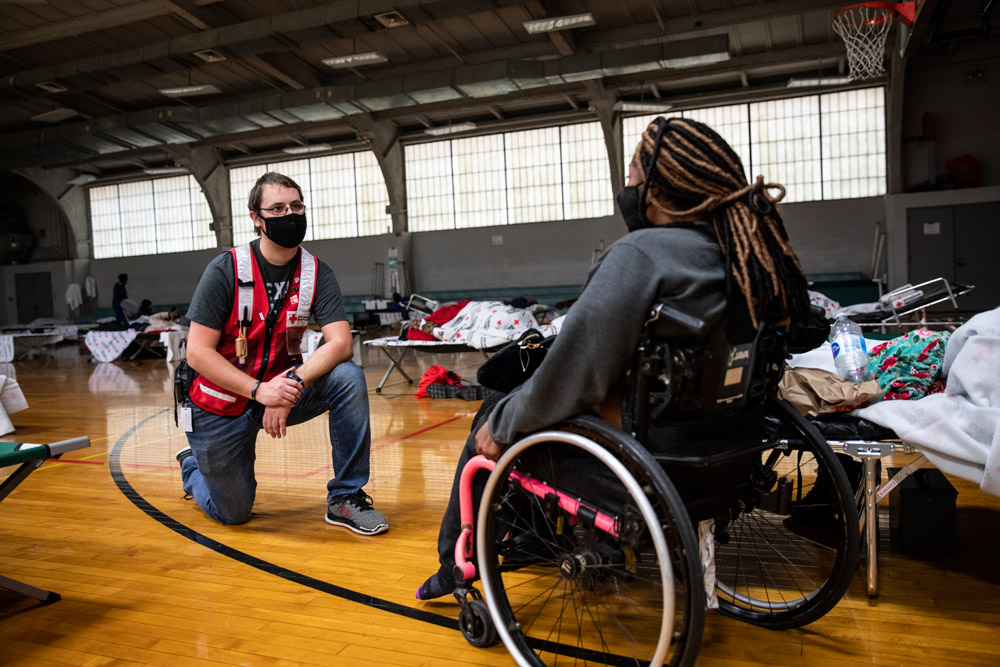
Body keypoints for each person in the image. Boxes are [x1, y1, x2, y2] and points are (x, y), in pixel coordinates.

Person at [416, 116, 811, 599]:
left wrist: (502, 426)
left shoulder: (643, 254)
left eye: (632, 177)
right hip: (734, 444)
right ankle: (530, 536)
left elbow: (577, 371)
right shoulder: (752, 252)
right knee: (524, 405)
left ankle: (456, 563)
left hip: (651, 451)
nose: (627, 189)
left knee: (500, 408)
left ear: (660, 186)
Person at [176, 171, 388, 535]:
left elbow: (340, 343)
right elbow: (196, 353)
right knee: (234, 514)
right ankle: (192, 466)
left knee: (347, 377)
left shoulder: (316, 272)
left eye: (296, 205)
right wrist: (259, 391)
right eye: (277, 208)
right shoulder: (225, 270)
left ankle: (345, 497)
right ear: (256, 219)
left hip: (279, 391)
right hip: (220, 405)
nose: (290, 214)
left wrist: (290, 385)